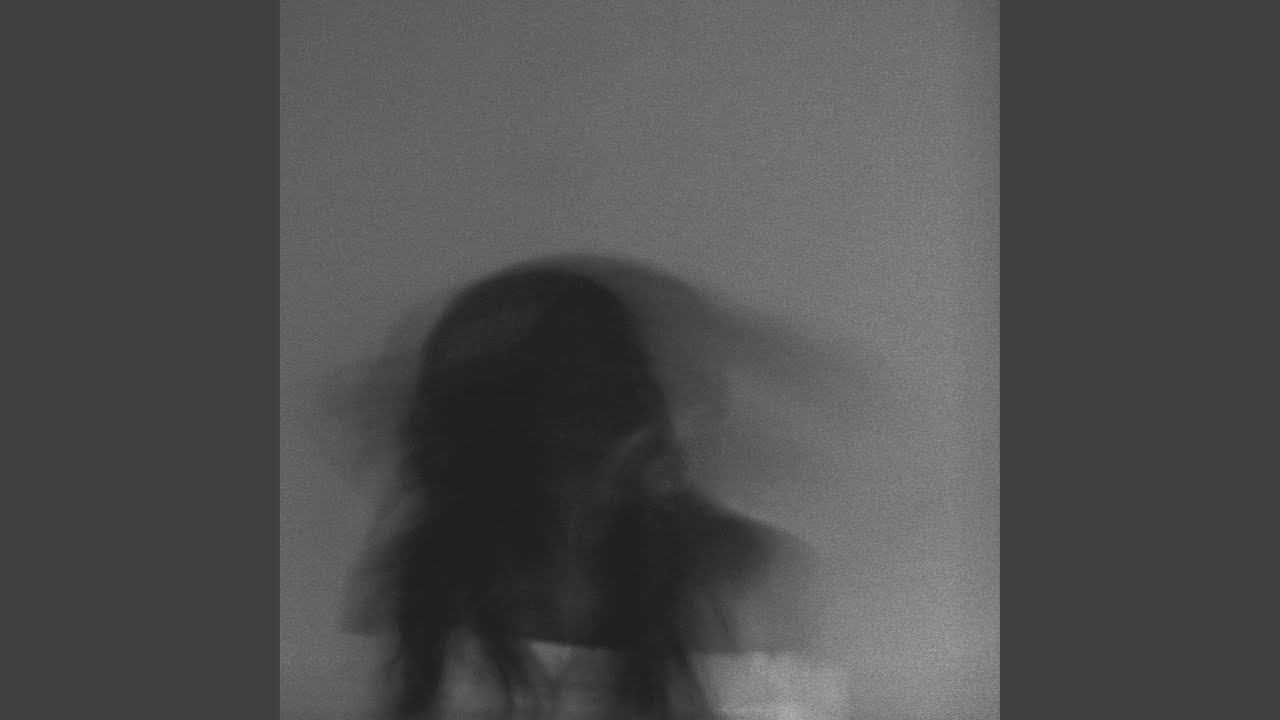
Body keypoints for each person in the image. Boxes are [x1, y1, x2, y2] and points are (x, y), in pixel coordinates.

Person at [339, 257, 842, 719]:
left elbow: (777, 699)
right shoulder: (446, 566)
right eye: (565, 376)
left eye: (605, 370)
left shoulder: (726, 563)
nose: (588, 393)